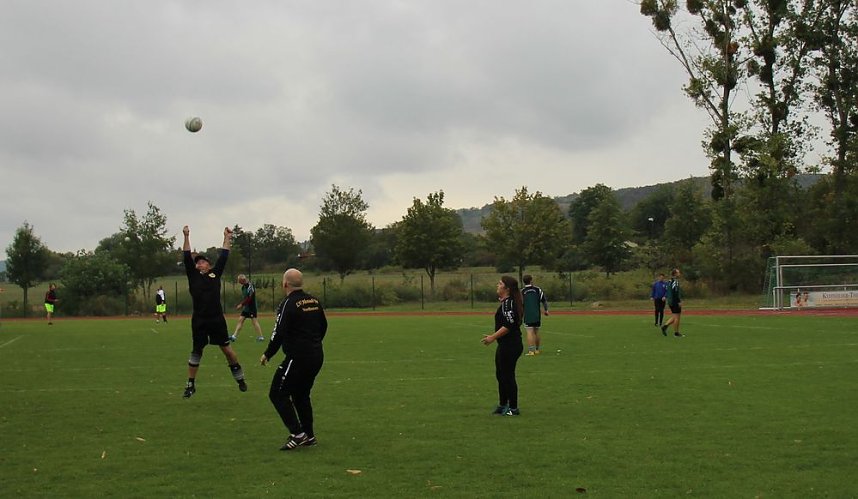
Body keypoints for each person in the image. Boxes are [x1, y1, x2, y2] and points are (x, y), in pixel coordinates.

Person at [261, 268, 328, 450]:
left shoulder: (288, 303)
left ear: (285, 284)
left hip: (298, 357)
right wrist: (313, 343)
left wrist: (268, 353)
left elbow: (278, 332)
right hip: (316, 355)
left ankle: (298, 434)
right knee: (301, 395)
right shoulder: (314, 301)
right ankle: (309, 436)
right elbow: (323, 326)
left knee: (277, 393)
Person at [181, 225, 247, 398]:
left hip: (216, 319)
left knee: (226, 350)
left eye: (203, 261)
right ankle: (190, 385)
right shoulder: (193, 276)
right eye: (198, 262)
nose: (199, 263)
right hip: (199, 320)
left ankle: (239, 378)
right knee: (196, 351)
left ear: (209, 265)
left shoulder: (214, 274)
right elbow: (186, 256)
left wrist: (227, 237)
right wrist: (186, 236)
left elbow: (224, 255)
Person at [481, 275, 524, 416]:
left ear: (507, 288)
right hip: (505, 345)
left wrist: (492, 337)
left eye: (500, 284)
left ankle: (513, 408)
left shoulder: (508, 304)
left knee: (507, 376)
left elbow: (509, 325)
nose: (497, 285)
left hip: (511, 345)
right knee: (501, 375)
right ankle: (502, 404)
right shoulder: (506, 302)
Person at [230, 274, 264, 342]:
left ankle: (261, 337)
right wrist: (243, 305)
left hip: (252, 307)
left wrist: (241, 304)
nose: (238, 282)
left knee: (254, 322)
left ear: (243, 280)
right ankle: (234, 336)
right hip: (246, 308)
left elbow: (249, 298)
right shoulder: (243, 287)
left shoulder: (251, 286)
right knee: (240, 320)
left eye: (239, 281)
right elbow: (245, 297)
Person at [521, 275, 549, 356]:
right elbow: (544, 300)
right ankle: (537, 350)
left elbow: (520, 304)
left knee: (529, 332)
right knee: (536, 332)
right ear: (531, 280)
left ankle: (531, 351)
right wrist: (546, 310)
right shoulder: (537, 289)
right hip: (537, 314)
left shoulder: (522, 291)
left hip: (527, 314)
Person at [661, 268, 684, 337]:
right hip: (675, 301)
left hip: (670, 301)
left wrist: (666, 297)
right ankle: (676, 333)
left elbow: (667, 291)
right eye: (678, 272)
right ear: (675, 274)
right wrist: (679, 301)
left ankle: (665, 326)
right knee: (677, 317)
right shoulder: (675, 282)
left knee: (674, 316)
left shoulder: (669, 281)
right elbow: (675, 292)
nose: (679, 274)